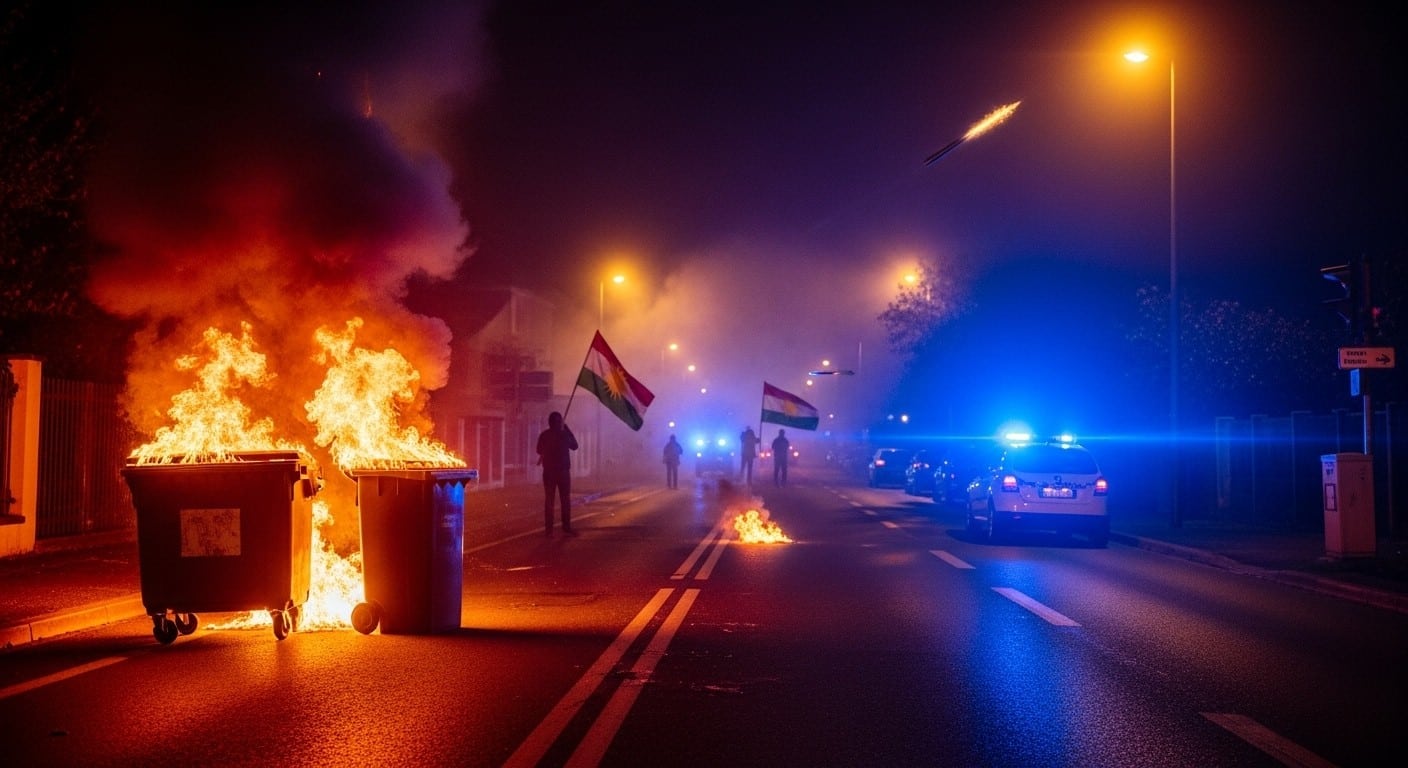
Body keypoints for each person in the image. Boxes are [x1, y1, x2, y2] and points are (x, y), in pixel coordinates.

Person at [536, 411, 579, 536]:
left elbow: (538, 449)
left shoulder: (544, 435)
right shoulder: (564, 435)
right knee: (565, 500)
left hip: (548, 472)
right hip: (563, 473)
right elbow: (575, 445)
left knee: (549, 501)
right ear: (560, 423)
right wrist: (566, 427)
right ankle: (566, 527)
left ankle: (549, 530)